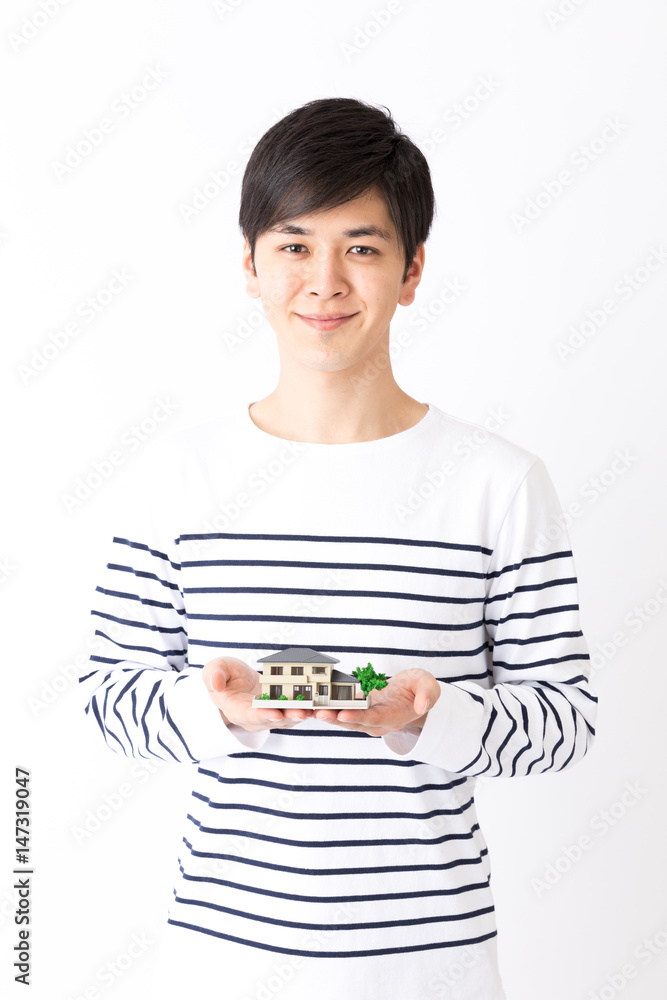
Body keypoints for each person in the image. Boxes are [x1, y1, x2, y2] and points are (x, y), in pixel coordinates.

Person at [79, 96, 597, 999]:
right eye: (293, 245)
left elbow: (564, 722)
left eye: (361, 247)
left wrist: (433, 716)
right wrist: (216, 710)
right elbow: (103, 697)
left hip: (433, 966)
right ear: (248, 265)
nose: (324, 282)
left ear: (412, 270)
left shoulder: (498, 484)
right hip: (220, 961)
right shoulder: (176, 476)